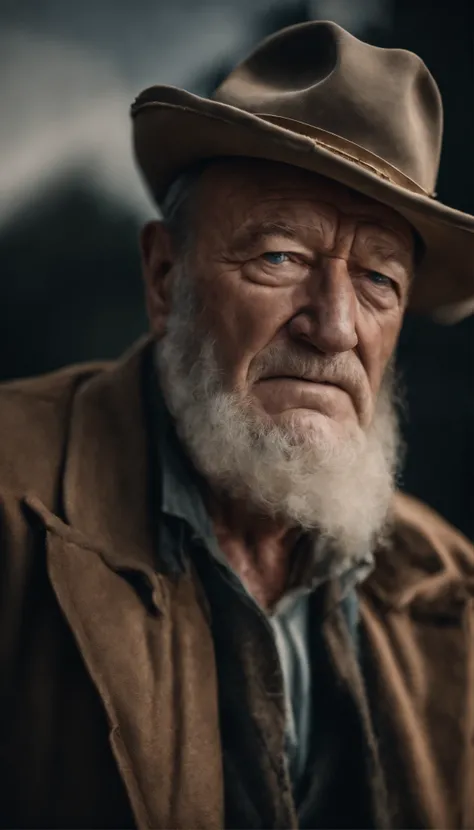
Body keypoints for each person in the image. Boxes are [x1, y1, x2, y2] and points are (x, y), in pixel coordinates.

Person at [1, 19, 474, 830]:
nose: (333, 326)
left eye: (377, 281)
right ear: (163, 277)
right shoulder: (12, 500)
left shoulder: (452, 586)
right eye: (281, 257)